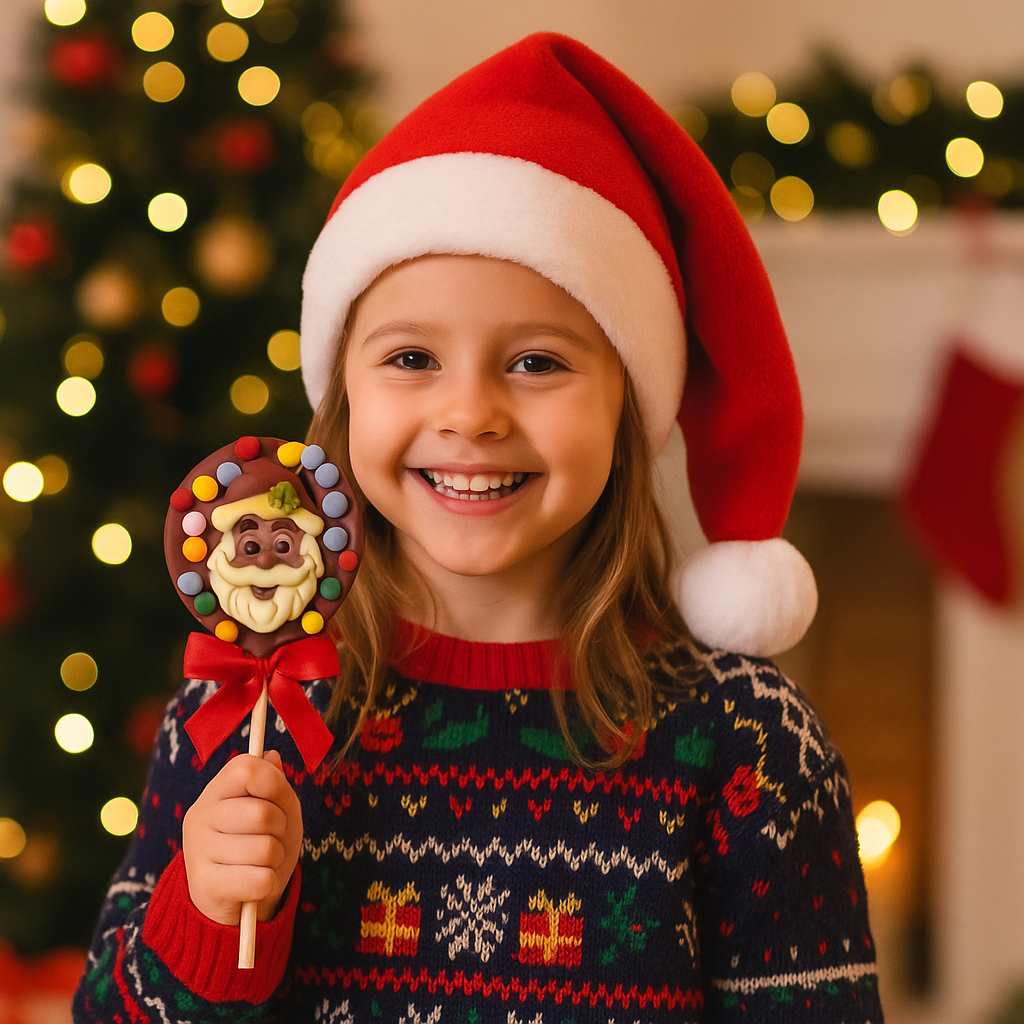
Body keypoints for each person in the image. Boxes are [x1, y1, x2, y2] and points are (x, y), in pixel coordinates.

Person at [73, 32, 884, 1024]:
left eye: (537, 362)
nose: (470, 414)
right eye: (412, 358)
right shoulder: (247, 711)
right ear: (342, 404)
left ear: (629, 411)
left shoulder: (748, 741)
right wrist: (205, 917)